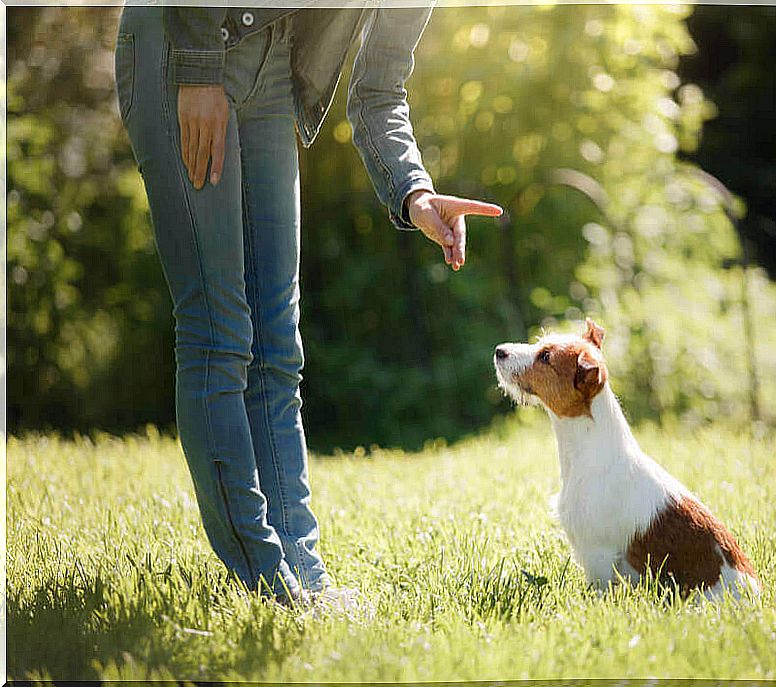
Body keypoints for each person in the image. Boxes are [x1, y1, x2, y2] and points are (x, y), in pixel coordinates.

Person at [114, 5, 502, 609]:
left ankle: (303, 573)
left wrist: (415, 191)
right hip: (180, 46)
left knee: (276, 344)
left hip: (270, 66)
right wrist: (196, 70)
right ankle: (264, 579)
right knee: (219, 331)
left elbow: (379, 90)